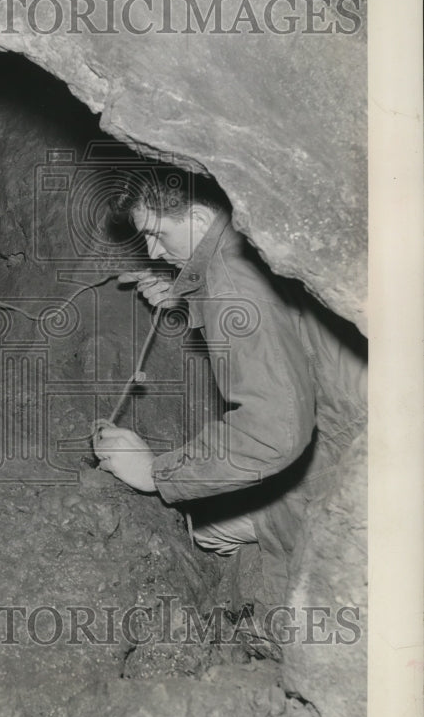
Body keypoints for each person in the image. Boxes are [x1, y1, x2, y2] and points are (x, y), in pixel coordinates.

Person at [92, 167, 367, 617]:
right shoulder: (254, 226)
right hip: (353, 408)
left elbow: (271, 432)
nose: (151, 251)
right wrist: (190, 292)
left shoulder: (230, 285)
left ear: (199, 219)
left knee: (207, 531)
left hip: (351, 456)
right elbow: (275, 314)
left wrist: (155, 472)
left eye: (158, 234)